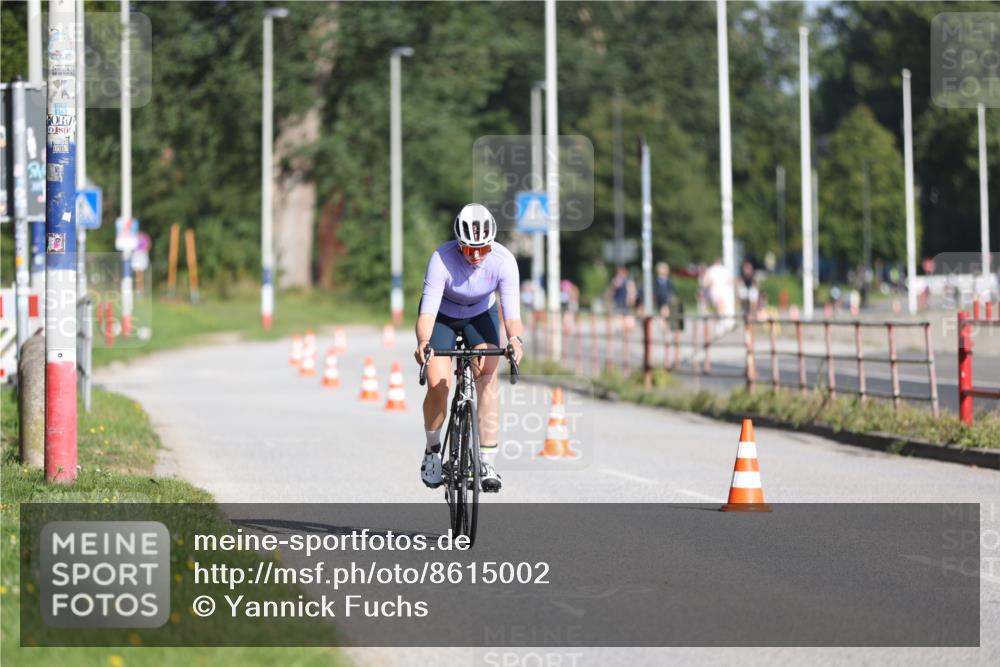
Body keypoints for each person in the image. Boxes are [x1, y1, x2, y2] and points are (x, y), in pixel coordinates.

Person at [414, 203, 524, 493]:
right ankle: (433, 450)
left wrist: (515, 341)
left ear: (491, 244)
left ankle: (487, 460)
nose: (476, 255)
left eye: (483, 249)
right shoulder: (442, 259)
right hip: (443, 316)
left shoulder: (504, 261)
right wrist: (424, 343)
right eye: (468, 249)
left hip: (480, 315)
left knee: (487, 378)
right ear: (458, 243)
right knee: (438, 383)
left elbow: (512, 316)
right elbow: (427, 313)